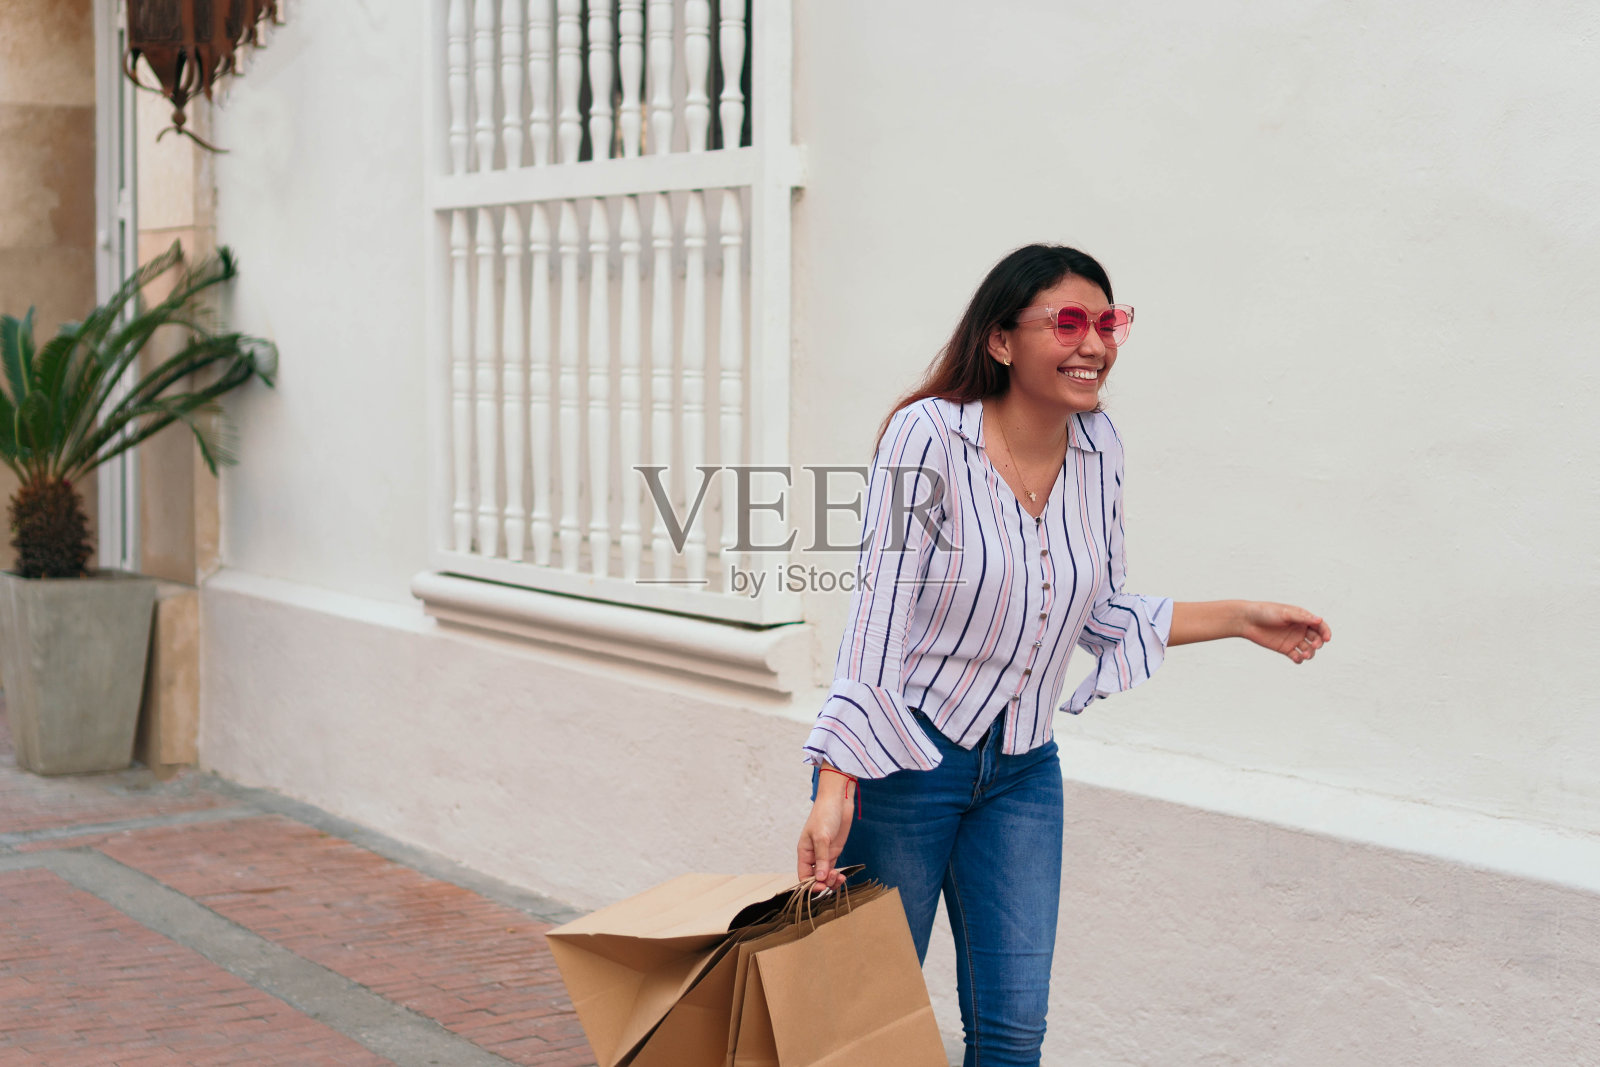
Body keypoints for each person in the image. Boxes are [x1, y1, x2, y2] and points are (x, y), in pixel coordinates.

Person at [795, 244, 1331, 1067]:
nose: (1094, 344)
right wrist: (838, 783)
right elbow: (878, 615)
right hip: (903, 765)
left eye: (1107, 323)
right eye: (1069, 322)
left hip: (1021, 773)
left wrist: (1239, 617)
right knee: (859, 1031)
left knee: (1014, 1035)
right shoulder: (927, 435)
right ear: (1001, 340)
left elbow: (1103, 608)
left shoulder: (1098, 444)